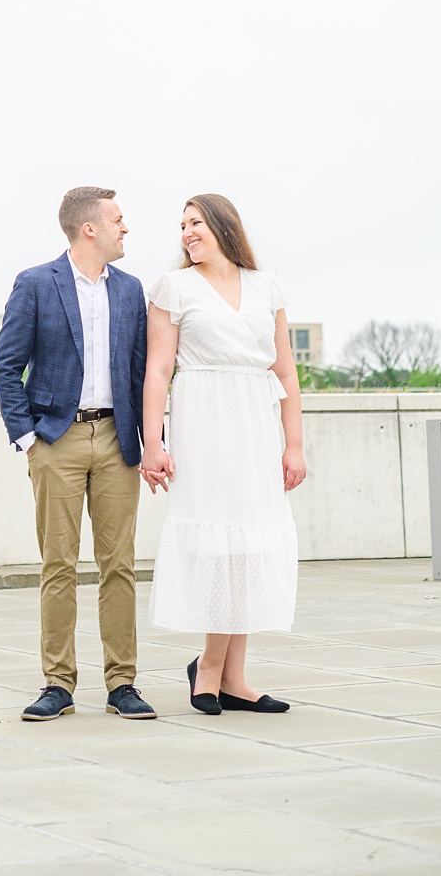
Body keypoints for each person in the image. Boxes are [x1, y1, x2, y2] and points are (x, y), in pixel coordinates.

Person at [0, 186, 157, 723]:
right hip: (56, 441)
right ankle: (57, 684)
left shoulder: (131, 291)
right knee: (58, 566)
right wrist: (28, 438)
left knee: (119, 566)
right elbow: (6, 366)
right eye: (118, 219)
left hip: (116, 440)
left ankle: (122, 683)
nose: (125, 228)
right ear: (90, 228)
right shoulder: (37, 283)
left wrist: (150, 442)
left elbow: (141, 372)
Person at [140, 193, 303, 714]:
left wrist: (294, 444)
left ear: (223, 226)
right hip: (204, 423)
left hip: (255, 423)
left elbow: (285, 371)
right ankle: (210, 667)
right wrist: (154, 441)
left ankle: (232, 675)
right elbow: (158, 370)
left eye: (196, 223)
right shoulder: (174, 287)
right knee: (219, 546)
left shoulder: (266, 286)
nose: (187, 232)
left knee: (251, 548)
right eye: (182, 225)